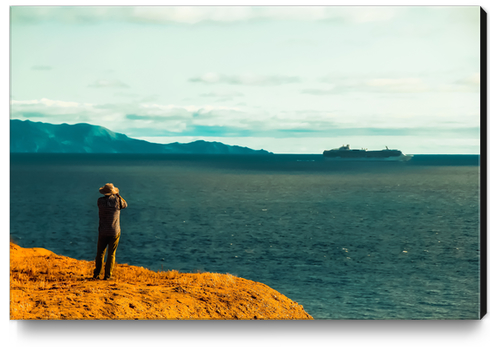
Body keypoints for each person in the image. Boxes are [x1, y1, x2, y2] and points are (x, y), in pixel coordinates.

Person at [93, 183, 128, 280]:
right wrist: (118, 195)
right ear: (113, 192)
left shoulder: (100, 201)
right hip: (114, 231)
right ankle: (108, 275)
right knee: (111, 254)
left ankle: (97, 274)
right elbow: (125, 205)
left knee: (100, 253)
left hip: (103, 231)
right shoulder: (118, 201)